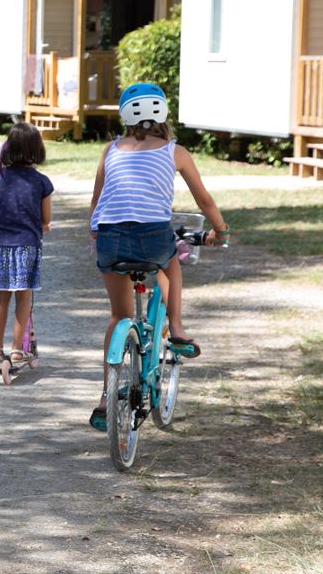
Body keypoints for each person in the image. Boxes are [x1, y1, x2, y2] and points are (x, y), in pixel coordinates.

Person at [87, 82, 230, 431]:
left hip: (110, 238)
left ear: (125, 115)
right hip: (152, 238)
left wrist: (96, 230)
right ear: (163, 112)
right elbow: (205, 201)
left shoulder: (110, 149)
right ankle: (177, 327)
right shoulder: (174, 152)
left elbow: (97, 200)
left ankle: (106, 397)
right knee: (170, 263)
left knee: (117, 315)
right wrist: (220, 231)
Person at [0, 122, 54, 365]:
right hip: (27, 245)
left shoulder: (0, 178)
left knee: (1, 297)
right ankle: (16, 349)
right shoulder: (41, 182)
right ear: (37, 149)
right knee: (23, 297)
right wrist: (44, 225)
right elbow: (46, 218)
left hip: (2, 245)